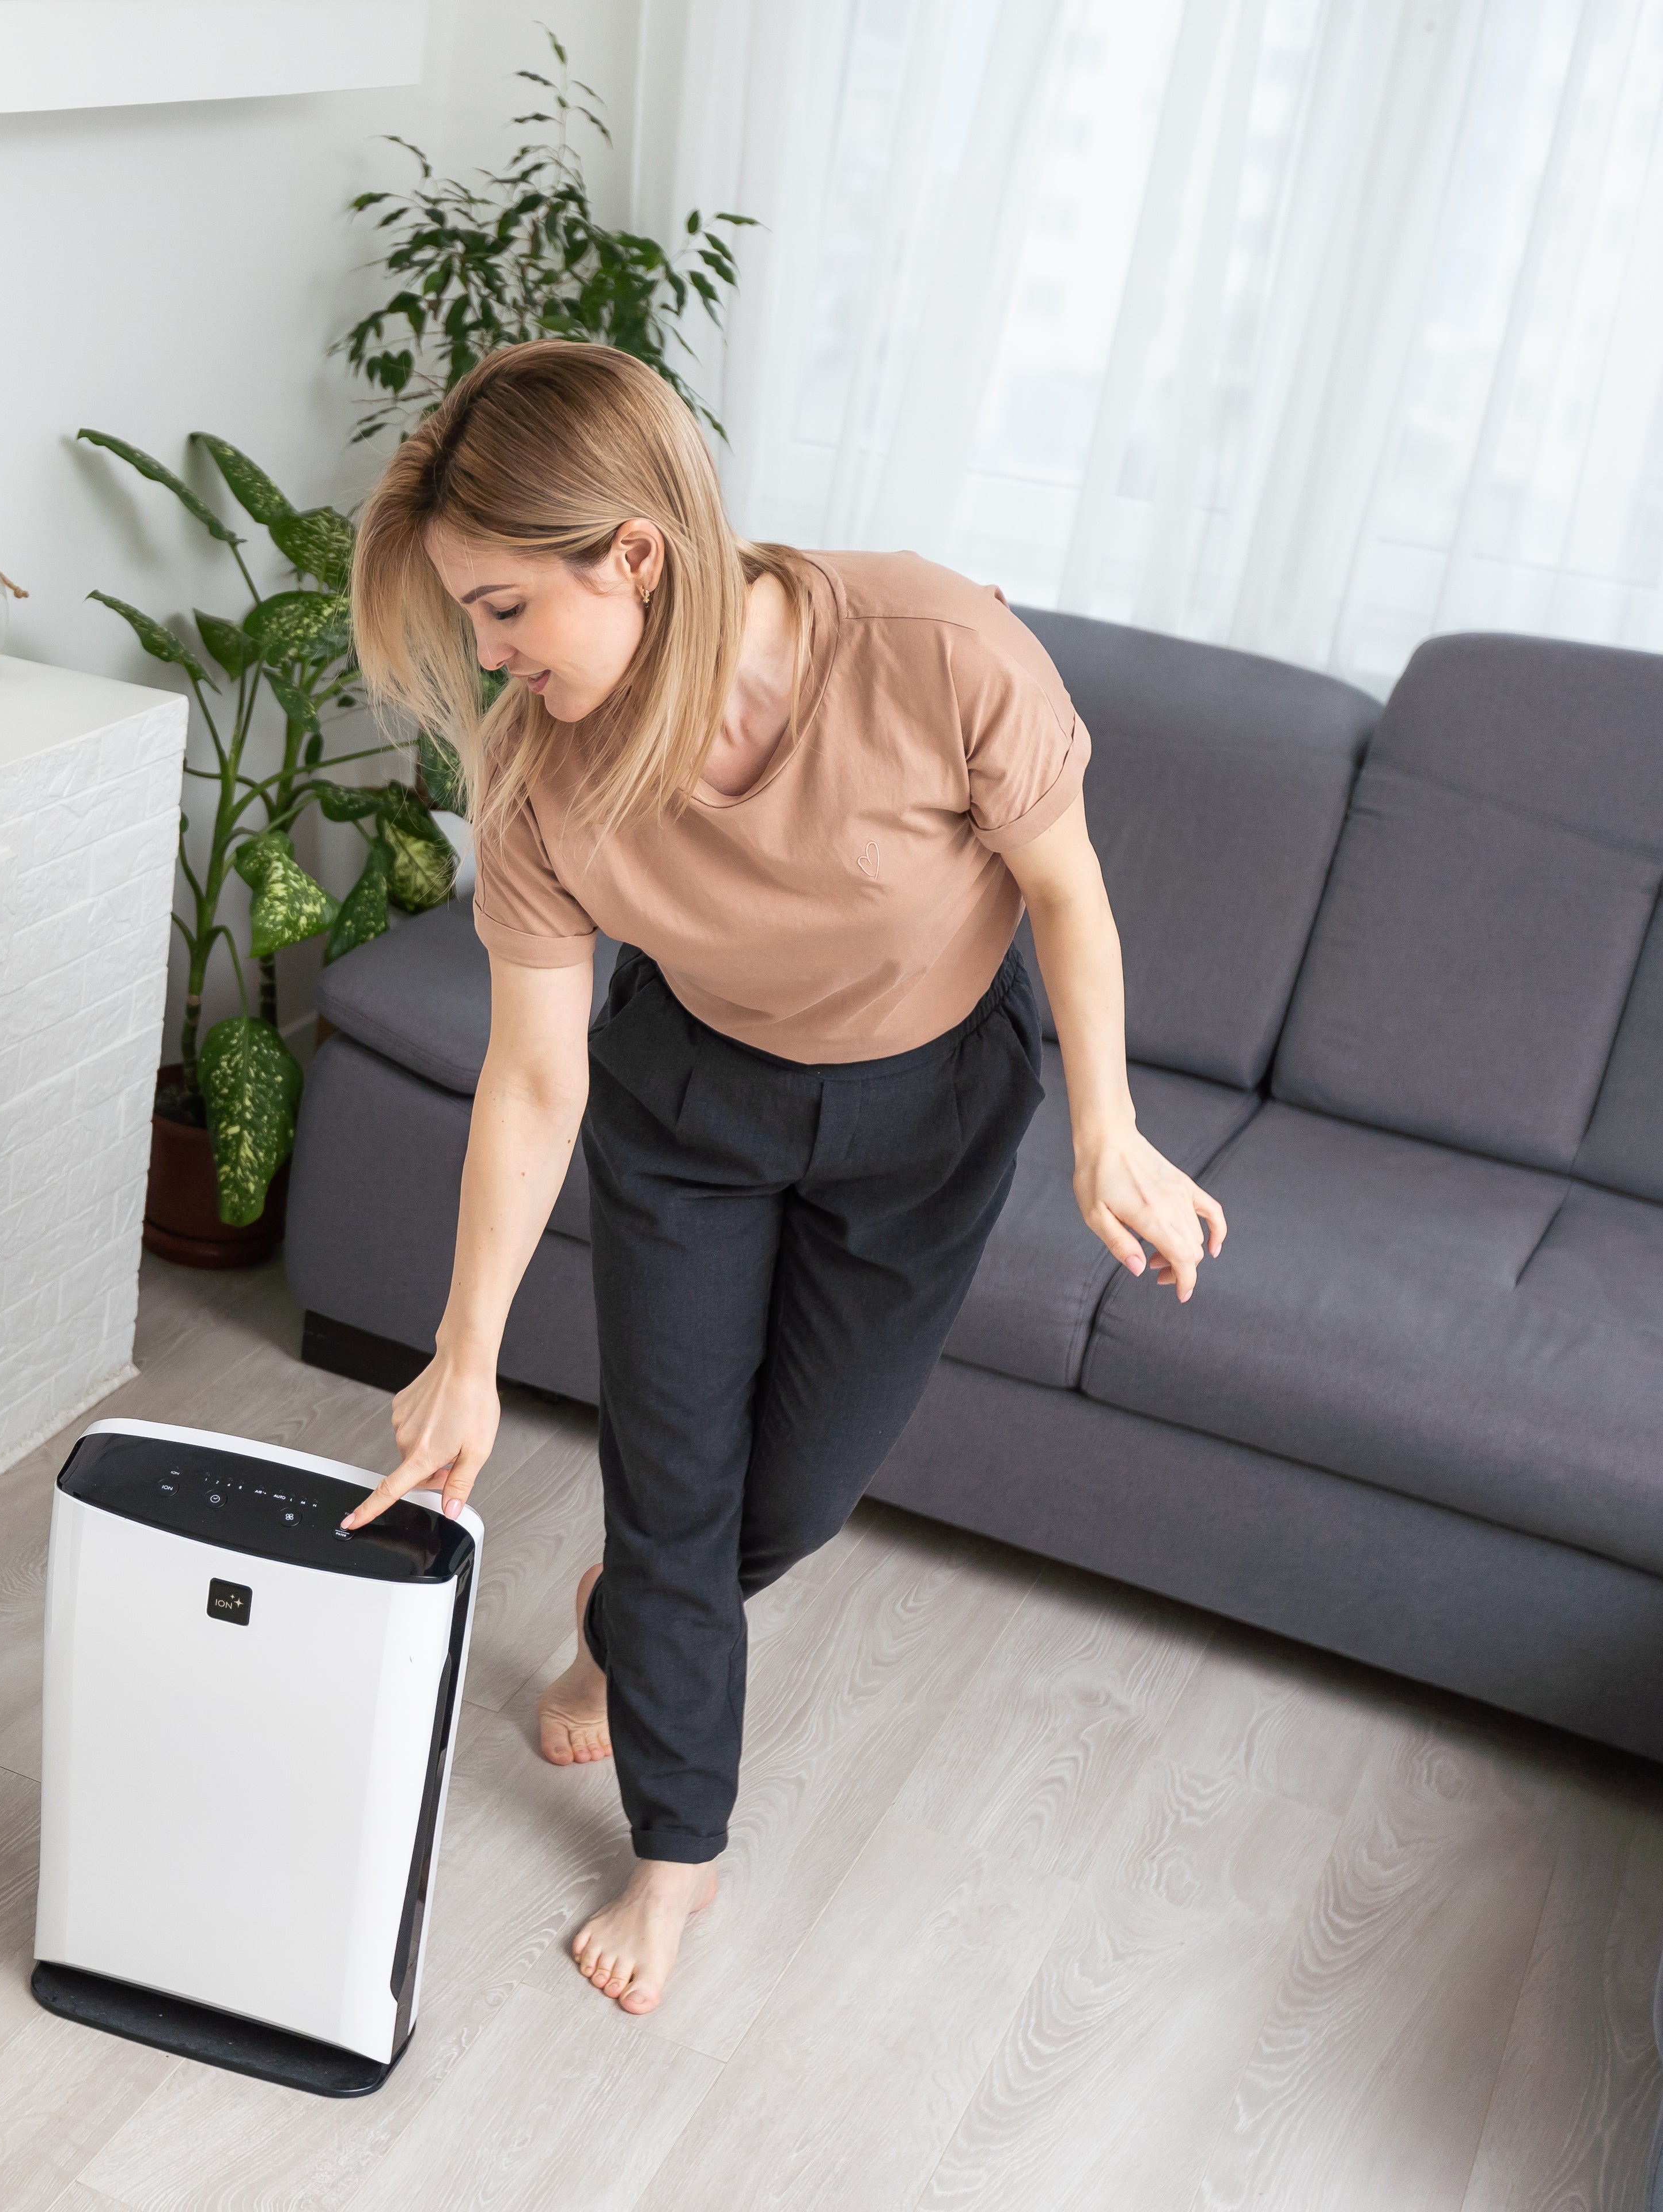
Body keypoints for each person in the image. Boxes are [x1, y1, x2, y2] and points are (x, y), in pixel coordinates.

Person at [335, 342, 1228, 2018]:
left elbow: (1065, 889)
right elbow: (535, 1074)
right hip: (694, 1111)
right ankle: (678, 1854)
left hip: (929, 1111)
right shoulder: (539, 771)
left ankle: (622, 1623)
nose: (492, 656)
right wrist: (466, 1351)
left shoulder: (933, 648)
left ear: (635, 555)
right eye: (472, 619)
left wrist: (1106, 1128)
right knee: (675, 1485)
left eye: (506, 610)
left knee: (791, 1498)